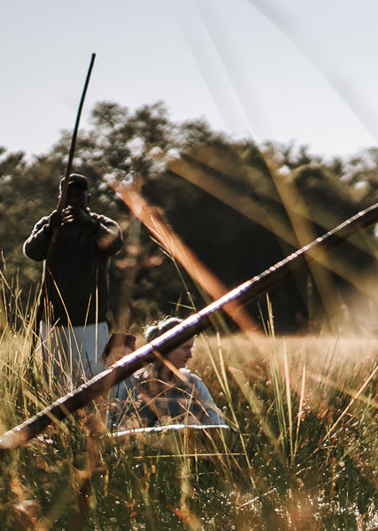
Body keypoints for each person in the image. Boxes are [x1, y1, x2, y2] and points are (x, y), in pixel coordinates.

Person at [23, 174, 123, 387]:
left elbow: (115, 244)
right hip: (53, 320)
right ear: (60, 198)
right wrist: (49, 230)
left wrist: (90, 225)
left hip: (90, 321)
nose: (74, 198)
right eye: (69, 194)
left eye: (79, 194)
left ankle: (91, 421)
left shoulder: (101, 223)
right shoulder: (49, 224)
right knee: (54, 381)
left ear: (88, 199)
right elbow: (31, 251)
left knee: (90, 380)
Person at [112, 317, 230, 431]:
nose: (190, 355)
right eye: (185, 348)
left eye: (191, 348)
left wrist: (195, 428)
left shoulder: (193, 384)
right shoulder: (131, 385)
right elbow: (115, 427)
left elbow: (216, 423)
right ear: (166, 348)